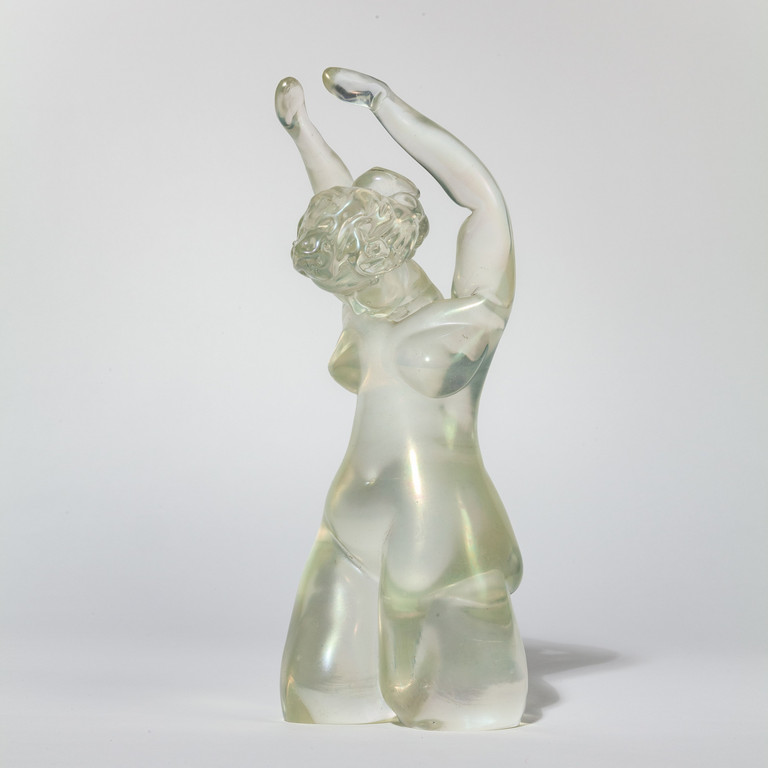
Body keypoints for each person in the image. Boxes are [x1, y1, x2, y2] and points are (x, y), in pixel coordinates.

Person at [275, 69, 526, 730]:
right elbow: (333, 199)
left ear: (396, 231)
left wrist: (385, 105)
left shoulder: (466, 318)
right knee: (319, 697)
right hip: (348, 522)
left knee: (457, 707)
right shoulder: (360, 303)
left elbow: (483, 203)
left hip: (438, 532)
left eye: (375, 204)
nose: (355, 215)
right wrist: (304, 133)